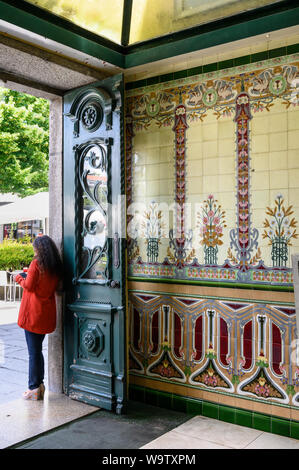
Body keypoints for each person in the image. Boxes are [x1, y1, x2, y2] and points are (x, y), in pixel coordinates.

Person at [14, 235, 63, 400]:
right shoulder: (55, 266)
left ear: (39, 249)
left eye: (35, 248)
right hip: (45, 313)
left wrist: (19, 278)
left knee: (33, 352)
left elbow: (29, 286)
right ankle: (39, 385)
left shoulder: (37, 263)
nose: (34, 250)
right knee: (37, 351)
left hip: (33, 314)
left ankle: (34, 388)